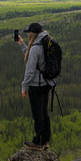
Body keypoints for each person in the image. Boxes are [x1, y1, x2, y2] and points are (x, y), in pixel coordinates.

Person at [17, 22, 55, 150]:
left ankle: (38, 141)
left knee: (37, 114)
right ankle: (45, 140)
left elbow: (30, 69)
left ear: (32, 34)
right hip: (45, 84)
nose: (28, 35)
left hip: (36, 86)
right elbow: (35, 59)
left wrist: (24, 86)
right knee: (43, 113)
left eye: (29, 33)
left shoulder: (36, 48)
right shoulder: (45, 43)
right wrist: (22, 45)